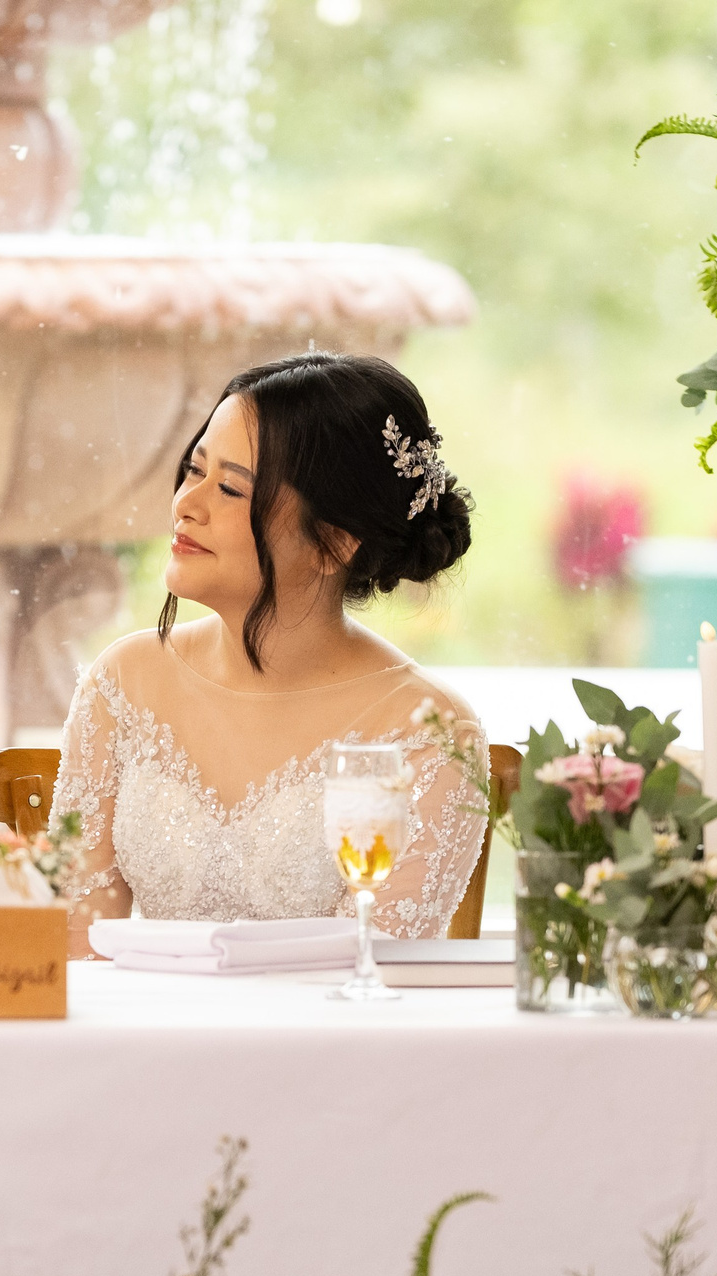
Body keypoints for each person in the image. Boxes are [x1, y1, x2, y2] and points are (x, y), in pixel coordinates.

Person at [55, 352, 487, 955]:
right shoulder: (123, 681)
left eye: (231, 488)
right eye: (194, 470)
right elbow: (77, 947)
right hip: (143, 1042)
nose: (187, 503)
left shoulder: (427, 730)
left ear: (333, 542)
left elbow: (375, 967)